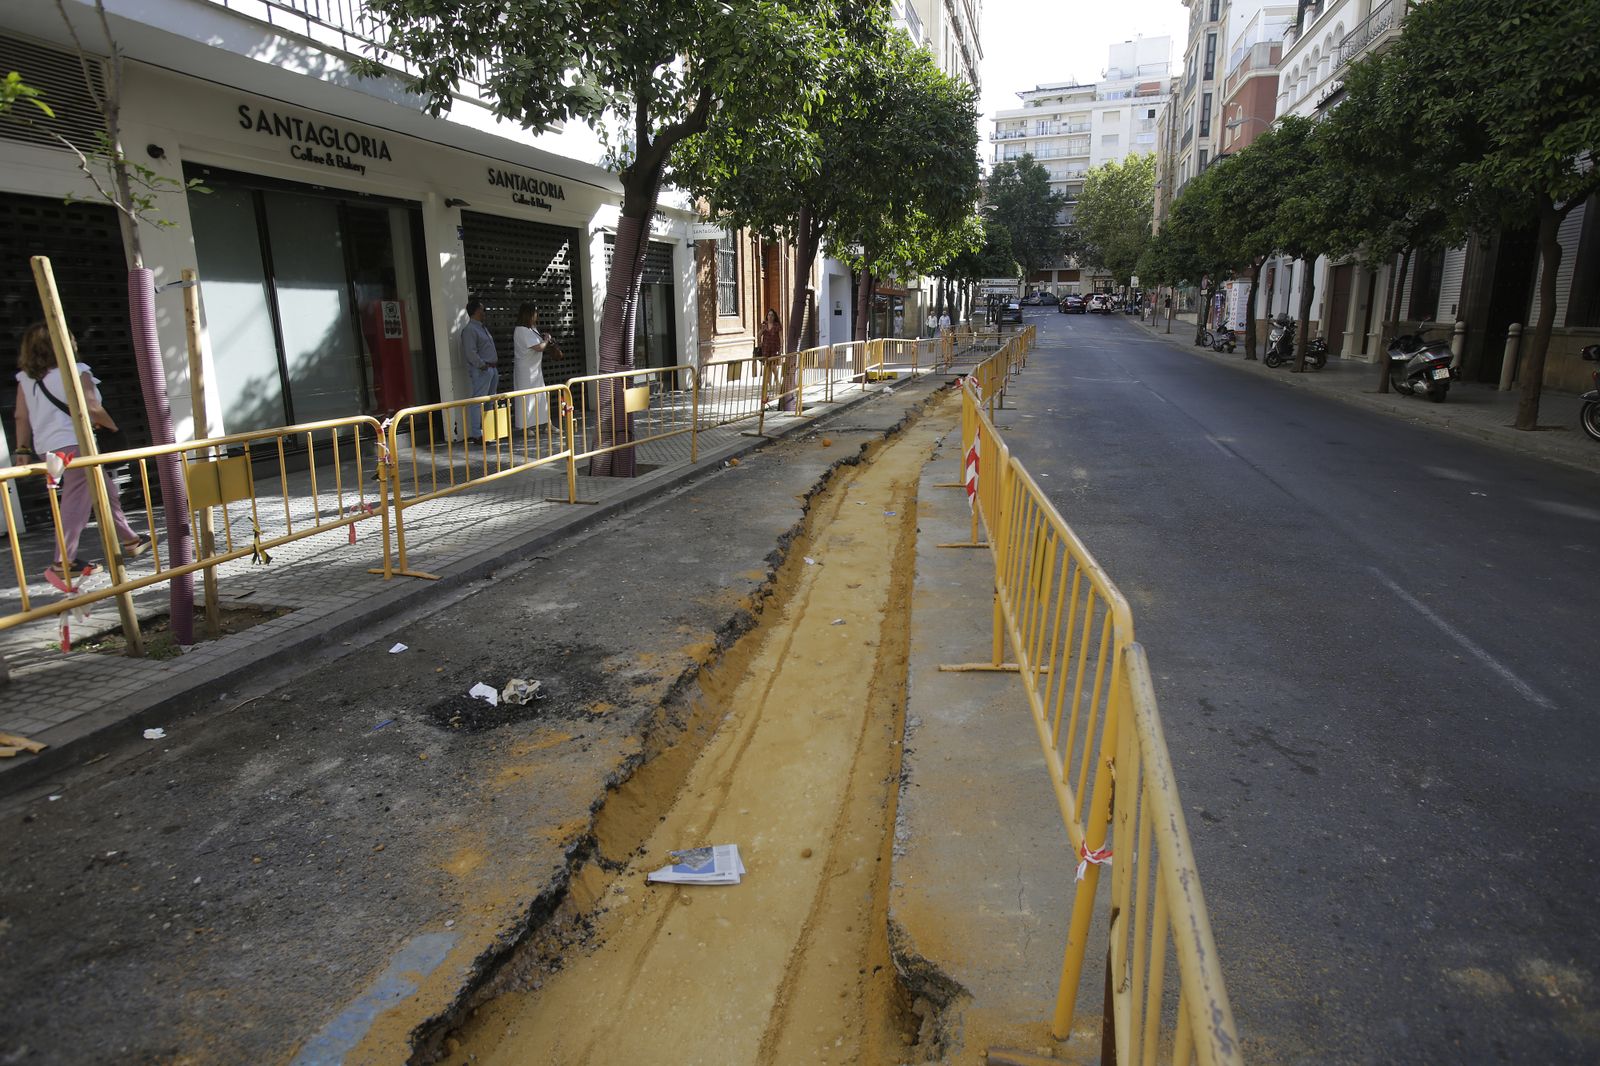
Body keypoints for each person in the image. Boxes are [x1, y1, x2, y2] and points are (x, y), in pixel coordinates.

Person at [11, 322, 148, 592]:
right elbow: (92, 407)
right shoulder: (77, 371)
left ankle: (131, 539)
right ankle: (63, 560)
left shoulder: (26, 379)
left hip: (47, 447)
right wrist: (113, 428)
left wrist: (23, 450)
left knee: (105, 490)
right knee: (76, 500)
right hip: (76, 445)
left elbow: (21, 417)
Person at [460, 298, 498, 443]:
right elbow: (470, 352)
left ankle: (488, 431)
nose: (484, 312)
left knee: (489, 401)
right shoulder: (470, 329)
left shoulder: (482, 327)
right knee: (478, 401)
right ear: (476, 311)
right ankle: (477, 434)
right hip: (484, 369)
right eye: (482, 309)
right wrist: (482, 366)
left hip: (491, 368)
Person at [511, 303, 550, 438]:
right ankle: (525, 427)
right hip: (526, 371)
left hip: (534, 369)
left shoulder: (531, 329)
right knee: (526, 398)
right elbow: (539, 347)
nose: (536, 316)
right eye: (535, 313)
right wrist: (546, 340)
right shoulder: (521, 330)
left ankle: (545, 423)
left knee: (540, 396)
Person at [757, 309, 783, 404]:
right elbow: (759, 335)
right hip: (766, 349)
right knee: (767, 368)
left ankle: (777, 383)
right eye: (769, 315)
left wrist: (781, 348)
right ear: (767, 316)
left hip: (774, 349)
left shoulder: (777, 326)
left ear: (774, 316)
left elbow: (781, 338)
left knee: (773, 367)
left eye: (772, 315)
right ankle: (770, 386)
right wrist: (762, 330)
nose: (770, 317)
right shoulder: (764, 325)